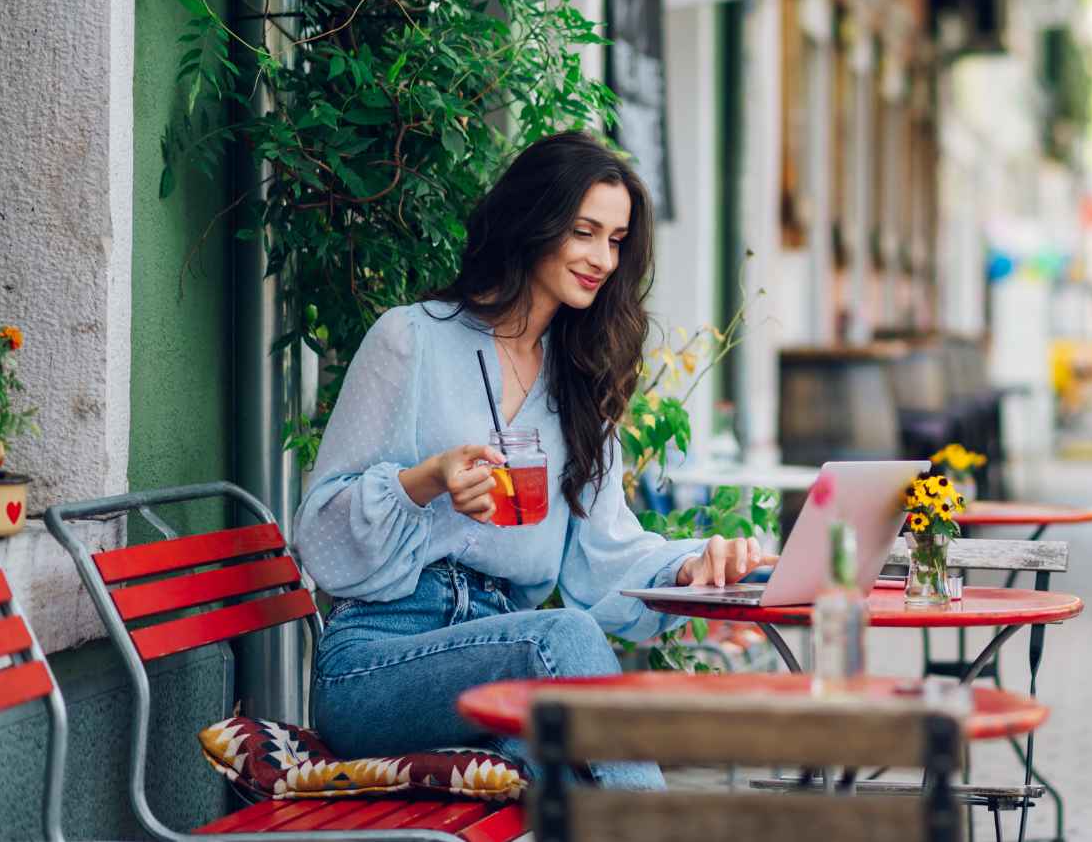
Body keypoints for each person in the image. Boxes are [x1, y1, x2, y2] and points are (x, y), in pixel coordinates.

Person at [295, 132, 771, 789]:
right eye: (584, 231)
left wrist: (688, 564)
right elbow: (319, 529)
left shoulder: (578, 383)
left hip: (505, 659)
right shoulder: (412, 339)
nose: (603, 257)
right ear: (534, 219)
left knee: (571, 778)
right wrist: (424, 481)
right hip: (378, 663)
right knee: (560, 636)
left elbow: (603, 559)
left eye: (616, 239)